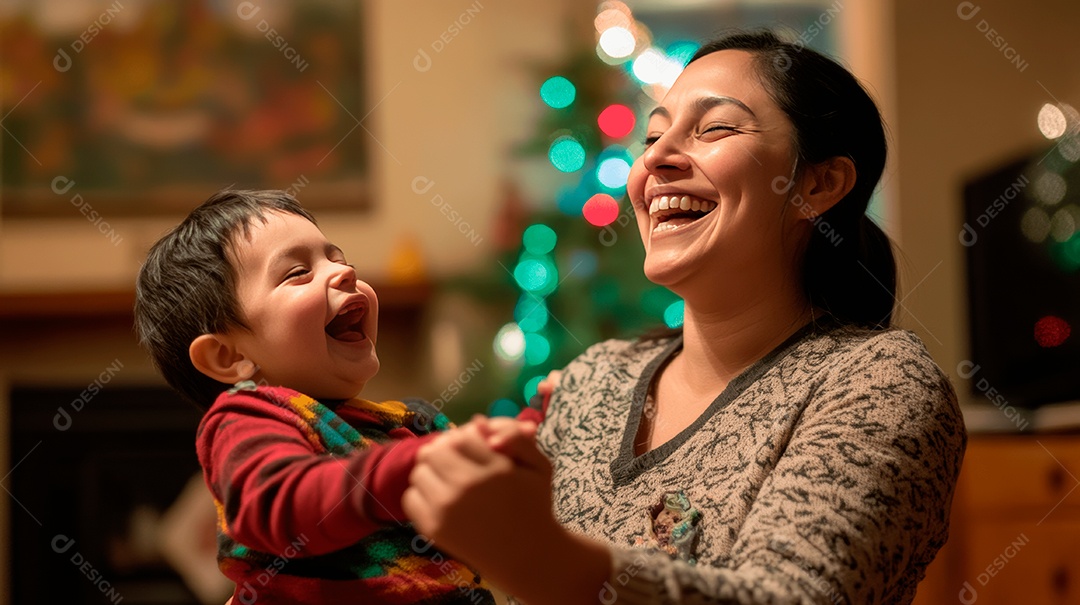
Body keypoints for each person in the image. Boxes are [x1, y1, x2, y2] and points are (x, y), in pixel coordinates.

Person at [402, 29, 967, 604]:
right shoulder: (592, 379)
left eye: (715, 127)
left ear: (819, 184)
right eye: (652, 135)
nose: (655, 158)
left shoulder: (879, 382)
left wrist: (540, 556)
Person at [134, 189, 534, 604]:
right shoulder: (249, 418)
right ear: (229, 355)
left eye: (339, 260)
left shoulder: (409, 423)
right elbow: (280, 504)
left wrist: (531, 433)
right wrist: (419, 465)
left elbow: (491, 507)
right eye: (297, 273)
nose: (344, 274)